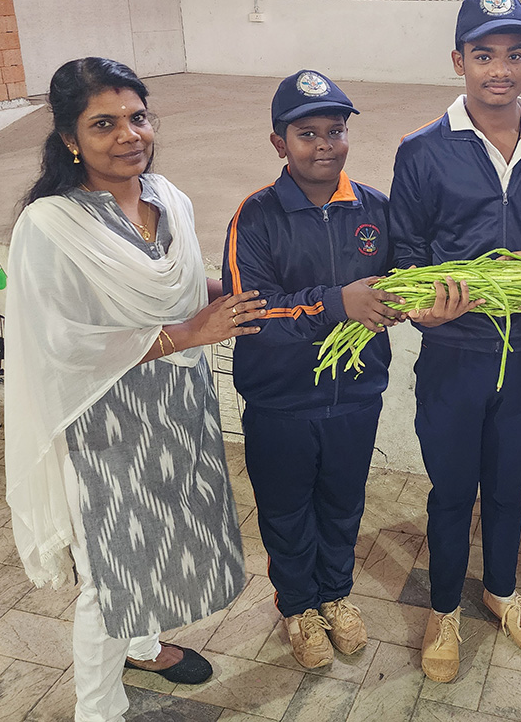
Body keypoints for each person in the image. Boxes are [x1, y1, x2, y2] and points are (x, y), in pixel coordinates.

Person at [4, 58, 264, 722]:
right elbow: (62, 341)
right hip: (104, 419)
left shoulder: (167, 196)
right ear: (69, 138)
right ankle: (98, 708)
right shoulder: (50, 225)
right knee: (112, 567)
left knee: (165, 532)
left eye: (137, 117)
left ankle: (144, 646)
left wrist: (237, 296)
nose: (129, 135)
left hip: (179, 407)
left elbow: (180, 289)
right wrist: (189, 333)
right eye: (104, 124)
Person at [389, 0, 521, 682]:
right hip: (455, 355)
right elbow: (405, 258)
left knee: (508, 488)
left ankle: (499, 590)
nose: (499, 69)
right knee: (451, 490)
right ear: (459, 60)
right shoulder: (422, 152)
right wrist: (425, 308)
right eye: (484, 55)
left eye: (514, 53)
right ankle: (444, 606)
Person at [222, 70, 405, 669]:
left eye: (336, 130)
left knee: (344, 501)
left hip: (355, 397)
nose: (325, 144)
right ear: (280, 143)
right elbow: (253, 316)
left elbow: (401, 287)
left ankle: (336, 595)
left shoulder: (377, 208)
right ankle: (299, 607)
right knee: (285, 508)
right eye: (307, 134)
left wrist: (406, 303)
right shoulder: (255, 216)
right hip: (281, 403)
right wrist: (339, 303)